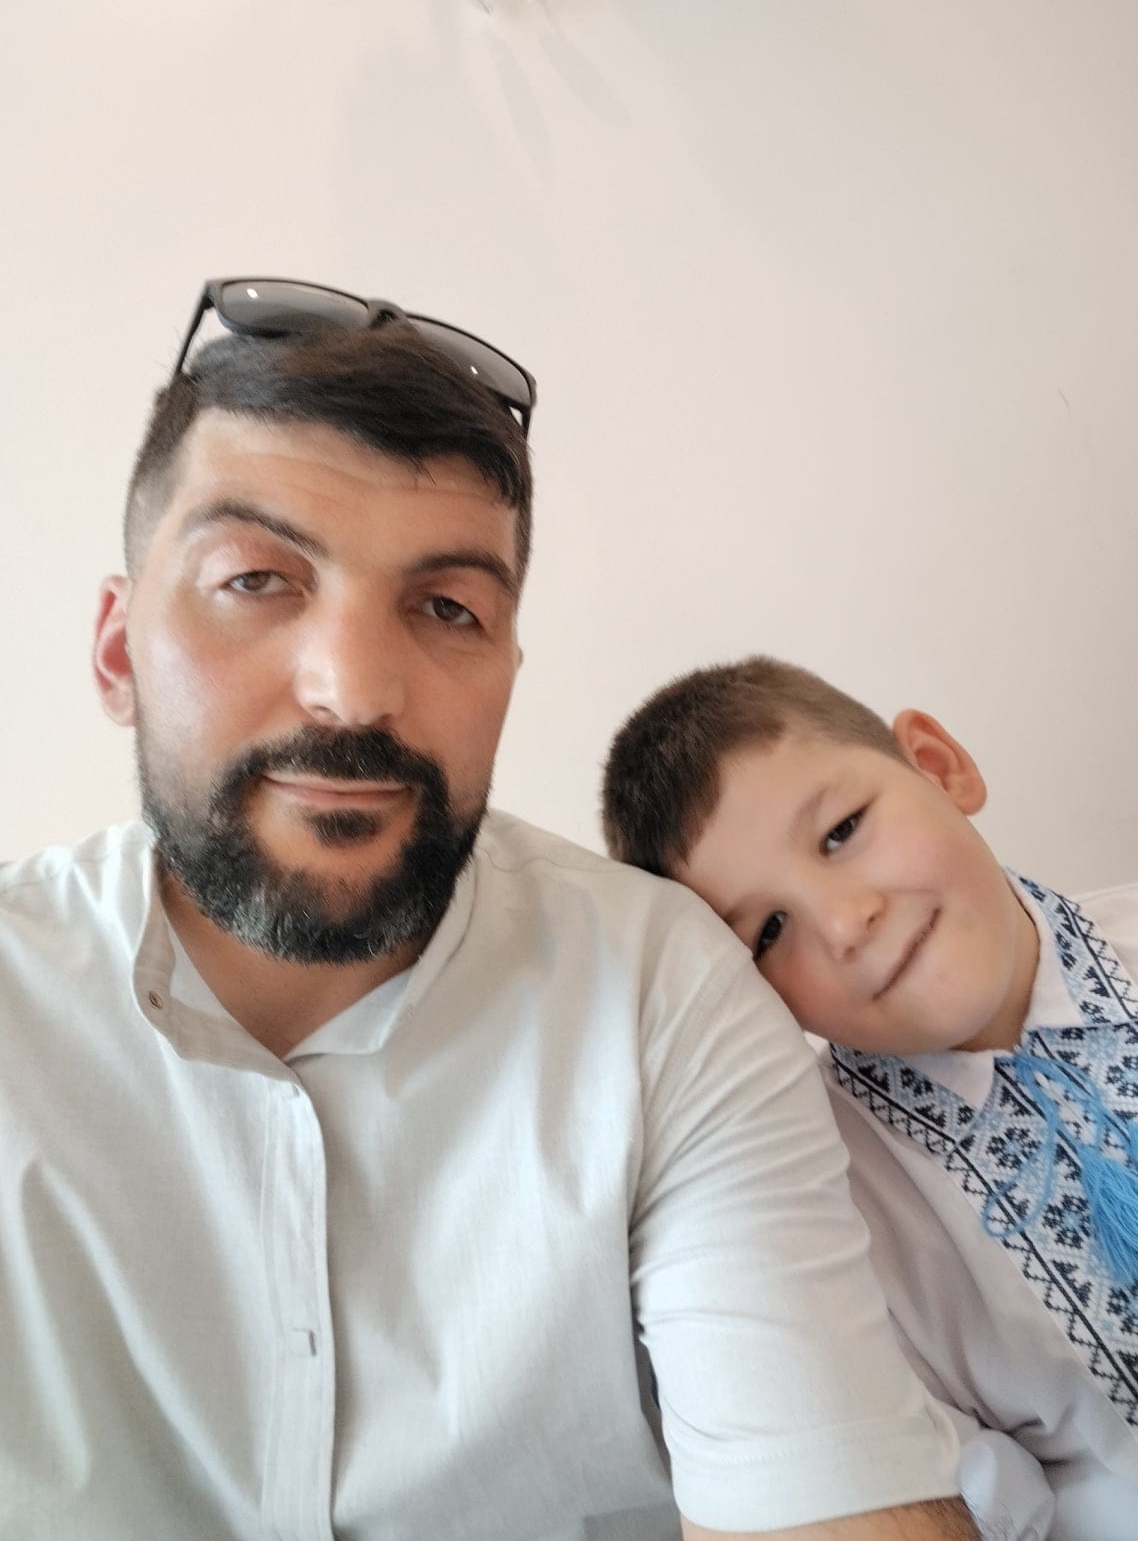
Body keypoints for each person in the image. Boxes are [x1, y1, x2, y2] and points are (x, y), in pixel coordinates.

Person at [0, 280, 975, 1541]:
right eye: (257, 579)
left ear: (508, 669)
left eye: (448, 608)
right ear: (118, 652)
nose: (354, 691)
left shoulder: (660, 996)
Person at [602, 654, 1138, 1541]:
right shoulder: (828, 1219)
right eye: (770, 930)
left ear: (939, 766)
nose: (844, 921)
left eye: (840, 832)